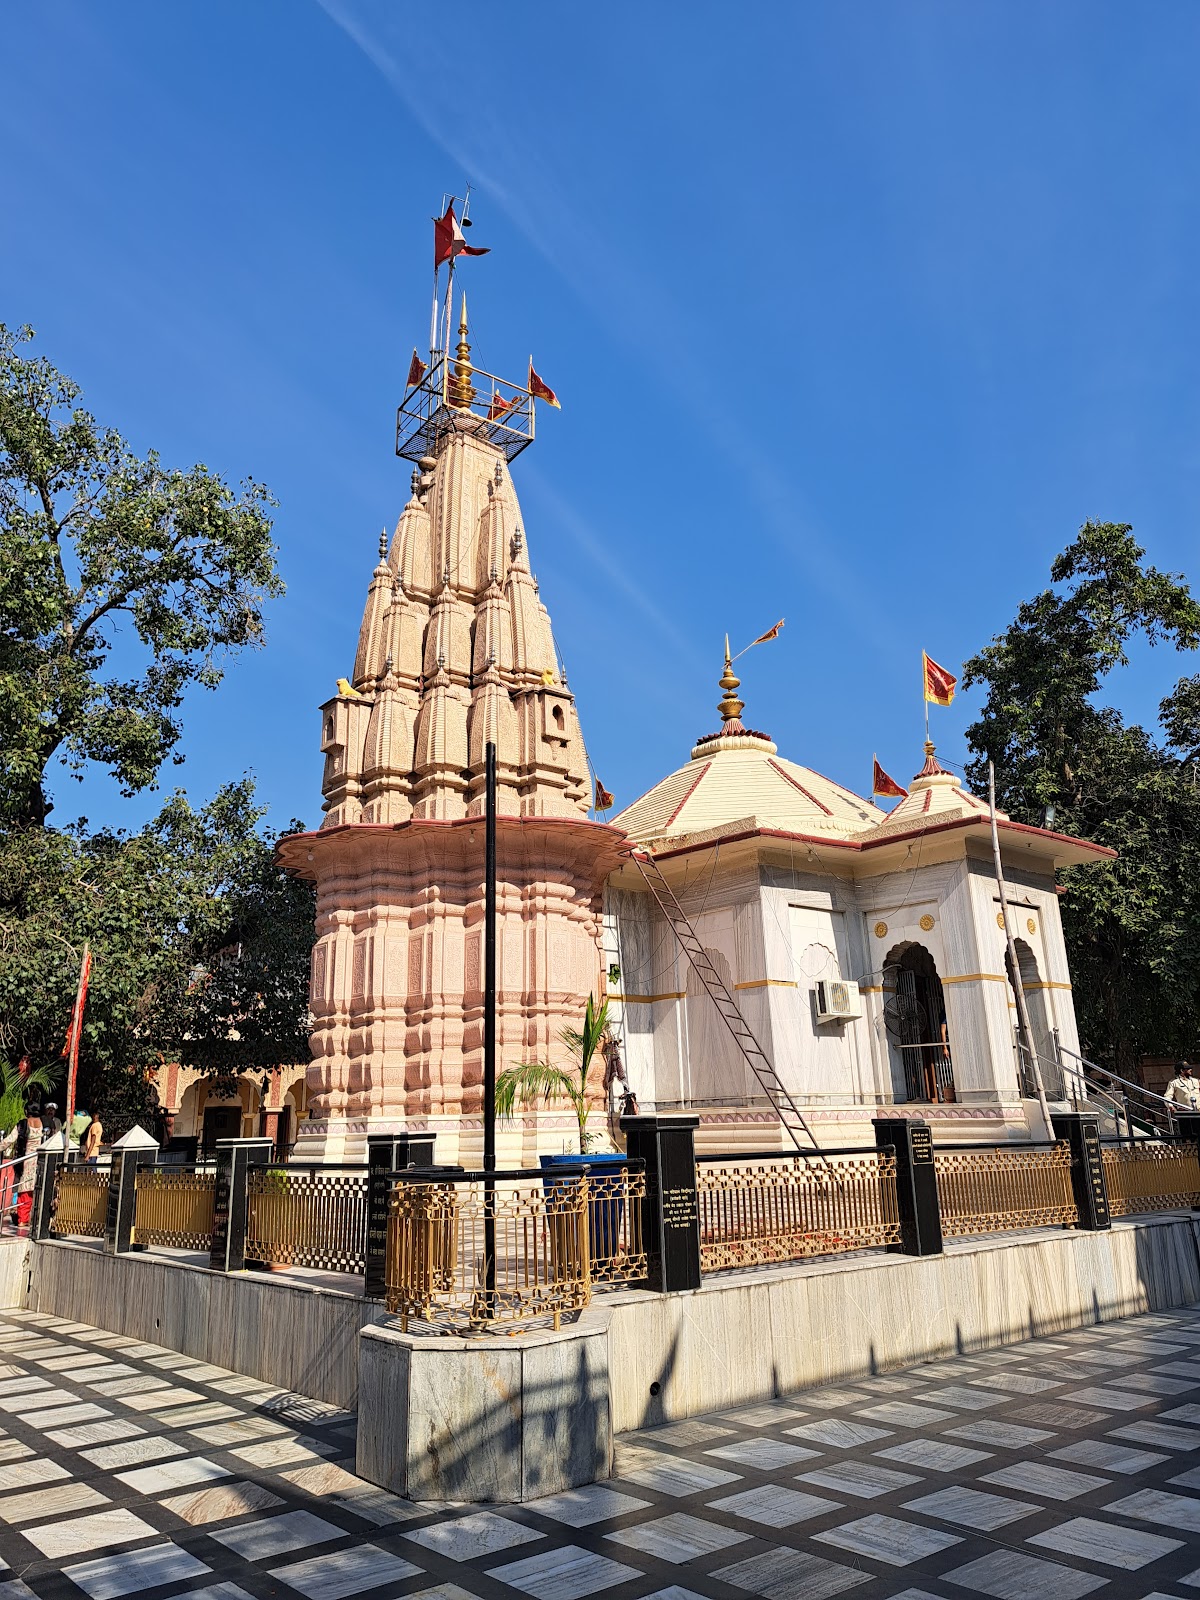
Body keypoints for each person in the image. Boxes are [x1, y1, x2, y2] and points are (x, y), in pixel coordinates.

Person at [2, 1104, 44, 1232]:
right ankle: (29, 1219)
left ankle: (22, 1220)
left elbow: (9, 1140)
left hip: (25, 1160)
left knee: (24, 1190)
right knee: (34, 1189)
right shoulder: (44, 1122)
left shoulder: (23, 1124)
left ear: (27, 1111)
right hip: (39, 1160)